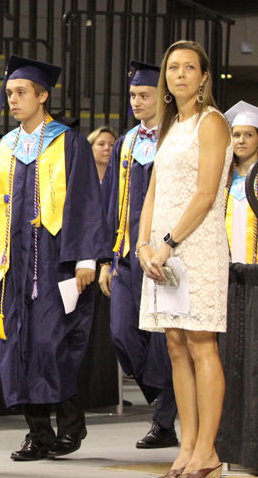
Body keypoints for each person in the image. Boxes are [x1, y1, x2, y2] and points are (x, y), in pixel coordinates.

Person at [0, 55, 108, 462]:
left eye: (20, 93)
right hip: (10, 265)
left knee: (54, 343)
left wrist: (87, 257)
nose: (12, 101)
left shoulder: (67, 142)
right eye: (9, 94)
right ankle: (38, 434)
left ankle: (70, 425)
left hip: (56, 263)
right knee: (18, 345)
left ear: (42, 96)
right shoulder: (0, 149)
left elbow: (87, 200)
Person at [137, 40, 231, 478]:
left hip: (194, 246)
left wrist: (168, 243)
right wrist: (142, 245)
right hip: (160, 252)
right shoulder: (171, 126)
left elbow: (207, 193)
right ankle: (188, 443)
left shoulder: (211, 123)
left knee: (200, 343)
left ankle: (208, 448)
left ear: (203, 77)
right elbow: (153, 192)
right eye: (172, 68)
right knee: (175, 345)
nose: (179, 74)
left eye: (188, 68)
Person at [99, 61, 178, 449]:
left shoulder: (176, 138)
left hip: (165, 256)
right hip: (127, 256)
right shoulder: (127, 142)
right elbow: (111, 200)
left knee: (166, 343)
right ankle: (168, 400)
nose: (136, 101)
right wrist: (104, 258)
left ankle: (164, 421)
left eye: (144, 95)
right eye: (132, 95)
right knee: (121, 335)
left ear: (161, 97)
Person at [216, 100, 258, 470]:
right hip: (229, 280)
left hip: (257, 280)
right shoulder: (224, 179)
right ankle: (230, 447)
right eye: (236, 135)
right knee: (230, 363)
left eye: (247, 134)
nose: (241, 140)